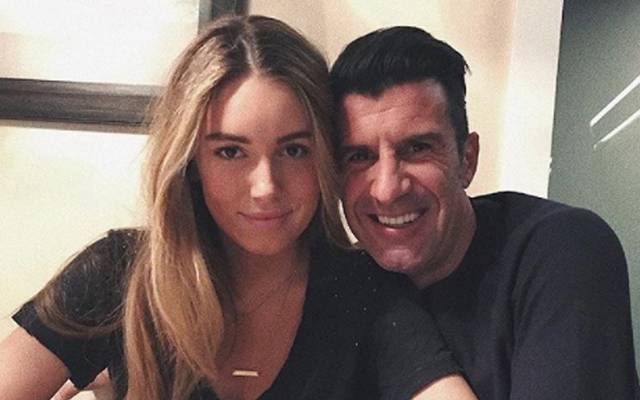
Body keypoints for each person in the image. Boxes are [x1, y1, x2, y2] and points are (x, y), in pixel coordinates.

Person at [0, 15, 479, 400]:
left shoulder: (365, 292)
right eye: (231, 152)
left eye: (294, 150)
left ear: (325, 157)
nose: (266, 187)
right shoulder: (119, 275)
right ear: (192, 162)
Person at [330, 26, 640, 399]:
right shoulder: (344, 288)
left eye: (418, 148)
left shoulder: (562, 250)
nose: (387, 189)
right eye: (359, 156)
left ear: (467, 159)